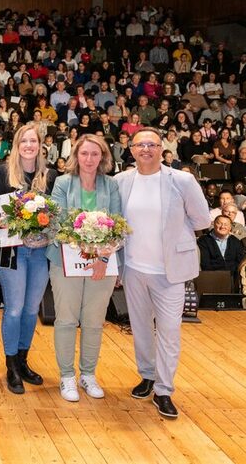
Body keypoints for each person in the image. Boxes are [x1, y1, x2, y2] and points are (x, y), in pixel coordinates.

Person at [115, 127, 209, 418]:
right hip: (133, 268)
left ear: (162, 149)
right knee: (141, 328)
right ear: (131, 149)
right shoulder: (120, 181)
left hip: (170, 272)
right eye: (140, 144)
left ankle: (164, 390)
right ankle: (147, 375)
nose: (146, 149)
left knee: (169, 332)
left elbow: (202, 219)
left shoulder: (182, 180)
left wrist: (173, 235)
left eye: (152, 144)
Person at [0, 122, 58, 395]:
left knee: (31, 310)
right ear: (16, 145)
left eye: (34, 141)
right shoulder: (2, 173)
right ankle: (11, 365)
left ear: (41, 146)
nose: (29, 146)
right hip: (9, 251)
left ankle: (23, 360)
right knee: (14, 308)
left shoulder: (49, 176)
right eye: (24, 141)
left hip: (39, 252)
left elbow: (56, 215)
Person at [47, 135, 120, 402]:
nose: (89, 159)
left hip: (102, 264)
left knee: (94, 322)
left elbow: (117, 222)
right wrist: (82, 250)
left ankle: (88, 374)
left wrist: (101, 259)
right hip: (65, 262)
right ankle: (67, 376)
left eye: (95, 154)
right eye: (84, 154)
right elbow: (57, 222)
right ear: (76, 156)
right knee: (66, 320)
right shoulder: (63, 183)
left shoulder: (110, 185)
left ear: (103, 157)